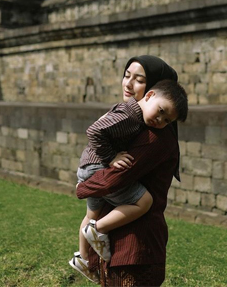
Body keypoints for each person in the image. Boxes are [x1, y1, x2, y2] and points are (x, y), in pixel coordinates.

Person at [68, 55, 180, 284]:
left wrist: (83, 187)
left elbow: (116, 178)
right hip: (121, 241)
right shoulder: (133, 120)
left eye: (139, 79)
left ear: (154, 88)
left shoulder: (154, 135)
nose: (128, 84)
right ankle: (84, 257)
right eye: (126, 75)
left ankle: (86, 250)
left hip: (135, 242)